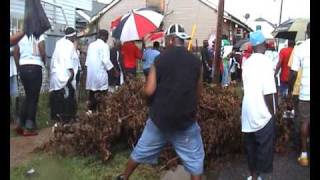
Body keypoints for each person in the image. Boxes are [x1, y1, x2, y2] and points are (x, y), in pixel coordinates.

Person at [117, 24, 204, 180]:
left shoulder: (159, 59)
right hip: (185, 122)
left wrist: (145, 97)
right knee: (195, 163)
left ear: (171, 40)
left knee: (140, 151)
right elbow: (198, 93)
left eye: (166, 39)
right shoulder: (196, 62)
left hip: (160, 120)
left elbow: (149, 90)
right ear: (182, 40)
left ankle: (123, 177)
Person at [241, 30, 277, 180]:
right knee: (264, 147)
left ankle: (252, 175)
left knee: (251, 147)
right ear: (262, 45)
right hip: (262, 111)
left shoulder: (247, 62)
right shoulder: (266, 62)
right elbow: (268, 92)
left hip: (247, 111)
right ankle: (260, 176)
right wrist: (273, 112)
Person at [13, 33, 46, 136]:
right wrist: (43, 61)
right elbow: (42, 50)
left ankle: (20, 123)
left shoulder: (21, 35)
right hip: (35, 67)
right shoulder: (39, 34)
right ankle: (29, 127)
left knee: (29, 96)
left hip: (23, 67)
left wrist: (19, 66)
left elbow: (15, 52)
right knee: (33, 98)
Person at [288, 22, 310, 167]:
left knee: (304, 122)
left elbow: (294, 72)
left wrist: (291, 90)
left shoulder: (300, 48)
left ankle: (304, 155)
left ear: (307, 32)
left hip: (305, 92)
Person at [49, 27, 79, 123]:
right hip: (65, 74)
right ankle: (67, 117)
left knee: (58, 95)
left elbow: (54, 58)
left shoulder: (59, 43)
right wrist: (72, 72)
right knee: (68, 96)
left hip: (56, 73)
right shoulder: (69, 45)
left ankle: (56, 116)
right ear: (73, 36)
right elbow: (67, 59)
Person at [85, 30, 116, 113]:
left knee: (92, 93)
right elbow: (106, 61)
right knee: (101, 94)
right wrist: (113, 70)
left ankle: (90, 111)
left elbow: (87, 62)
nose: (107, 39)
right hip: (100, 74)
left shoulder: (91, 45)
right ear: (104, 37)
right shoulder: (104, 46)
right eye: (107, 37)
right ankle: (100, 112)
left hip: (91, 74)